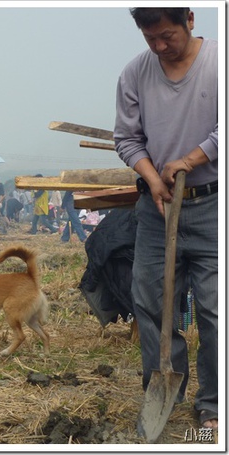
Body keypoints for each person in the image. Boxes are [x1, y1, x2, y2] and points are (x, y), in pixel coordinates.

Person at [115, 7, 218, 430]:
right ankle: (164, 390)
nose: (159, 46)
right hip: (157, 209)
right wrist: (153, 177)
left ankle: (213, 402)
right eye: (150, 39)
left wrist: (191, 159)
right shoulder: (135, 73)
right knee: (151, 301)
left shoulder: (219, 63)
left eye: (167, 36)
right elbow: (127, 138)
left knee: (215, 308)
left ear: (190, 20)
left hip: (213, 207)